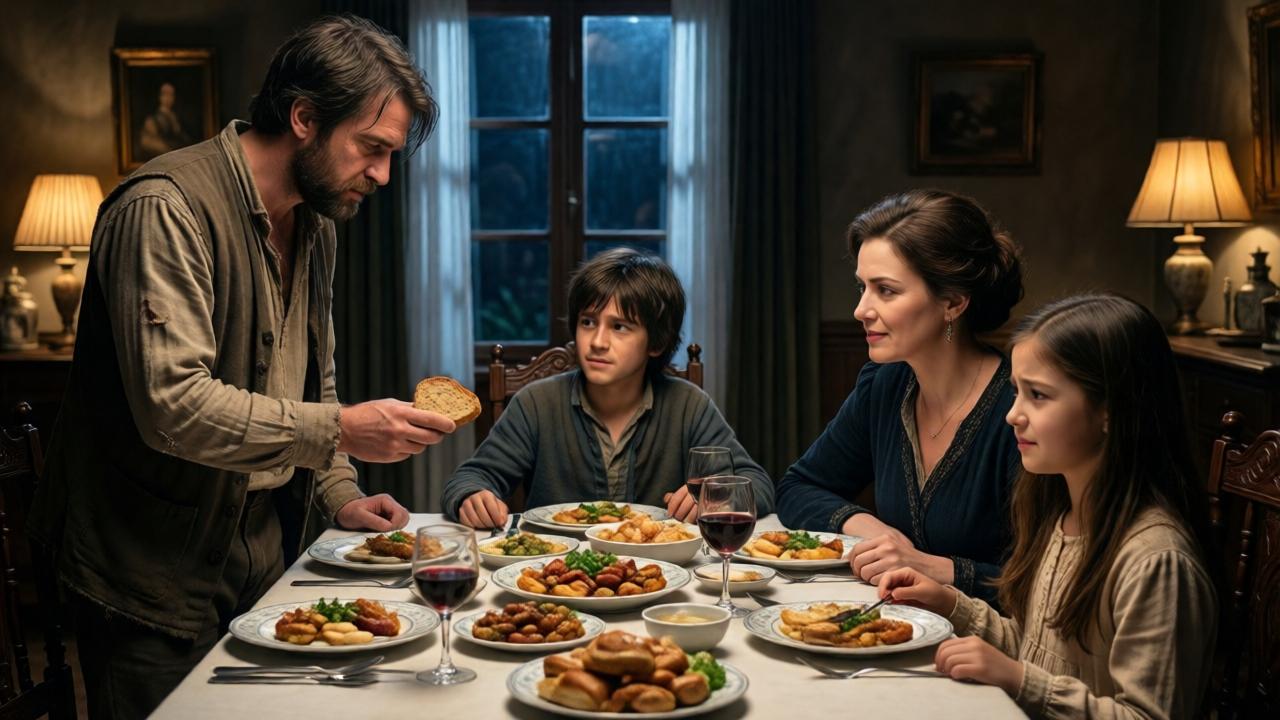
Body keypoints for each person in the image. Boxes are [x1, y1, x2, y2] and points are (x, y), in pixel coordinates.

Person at [26, 16, 452, 718]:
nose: (380, 175)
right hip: (150, 571)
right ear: (305, 118)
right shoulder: (164, 207)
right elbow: (176, 408)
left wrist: (339, 495)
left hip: (260, 548)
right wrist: (342, 432)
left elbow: (318, 380)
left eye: (389, 155)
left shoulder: (315, 223)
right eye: (371, 148)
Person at [879, 294, 1217, 719]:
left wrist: (1019, 680)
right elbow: (1035, 648)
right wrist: (950, 605)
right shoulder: (1059, 516)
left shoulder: (1156, 561)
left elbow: (1146, 715)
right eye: (1016, 392)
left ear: (1110, 411)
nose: (1013, 415)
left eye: (1038, 395)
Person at [775, 189, 1023, 602]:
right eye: (862, 287)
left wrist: (935, 568)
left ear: (953, 303)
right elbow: (799, 487)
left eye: (886, 290)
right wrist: (871, 529)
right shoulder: (886, 384)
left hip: (994, 651)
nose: (861, 309)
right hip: (899, 628)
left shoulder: (1018, 410)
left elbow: (1051, 583)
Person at [444, 247, 773, 528]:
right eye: (588, 322)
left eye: (620, 327)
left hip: (661, 576)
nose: (597, 342)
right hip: (554, 579)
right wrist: (472, 497)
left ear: (656, 342)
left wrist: (716, 496)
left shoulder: (688, 405)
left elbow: (756, 484)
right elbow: (470, 478)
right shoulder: (537, 403)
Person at [138, 81, 195, 160]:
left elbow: (183, 137)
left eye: (171, 95)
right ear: (160, 97)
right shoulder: (151, 120)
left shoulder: (176, 117)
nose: (168, 98)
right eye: (165, 94)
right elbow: (146, 142)